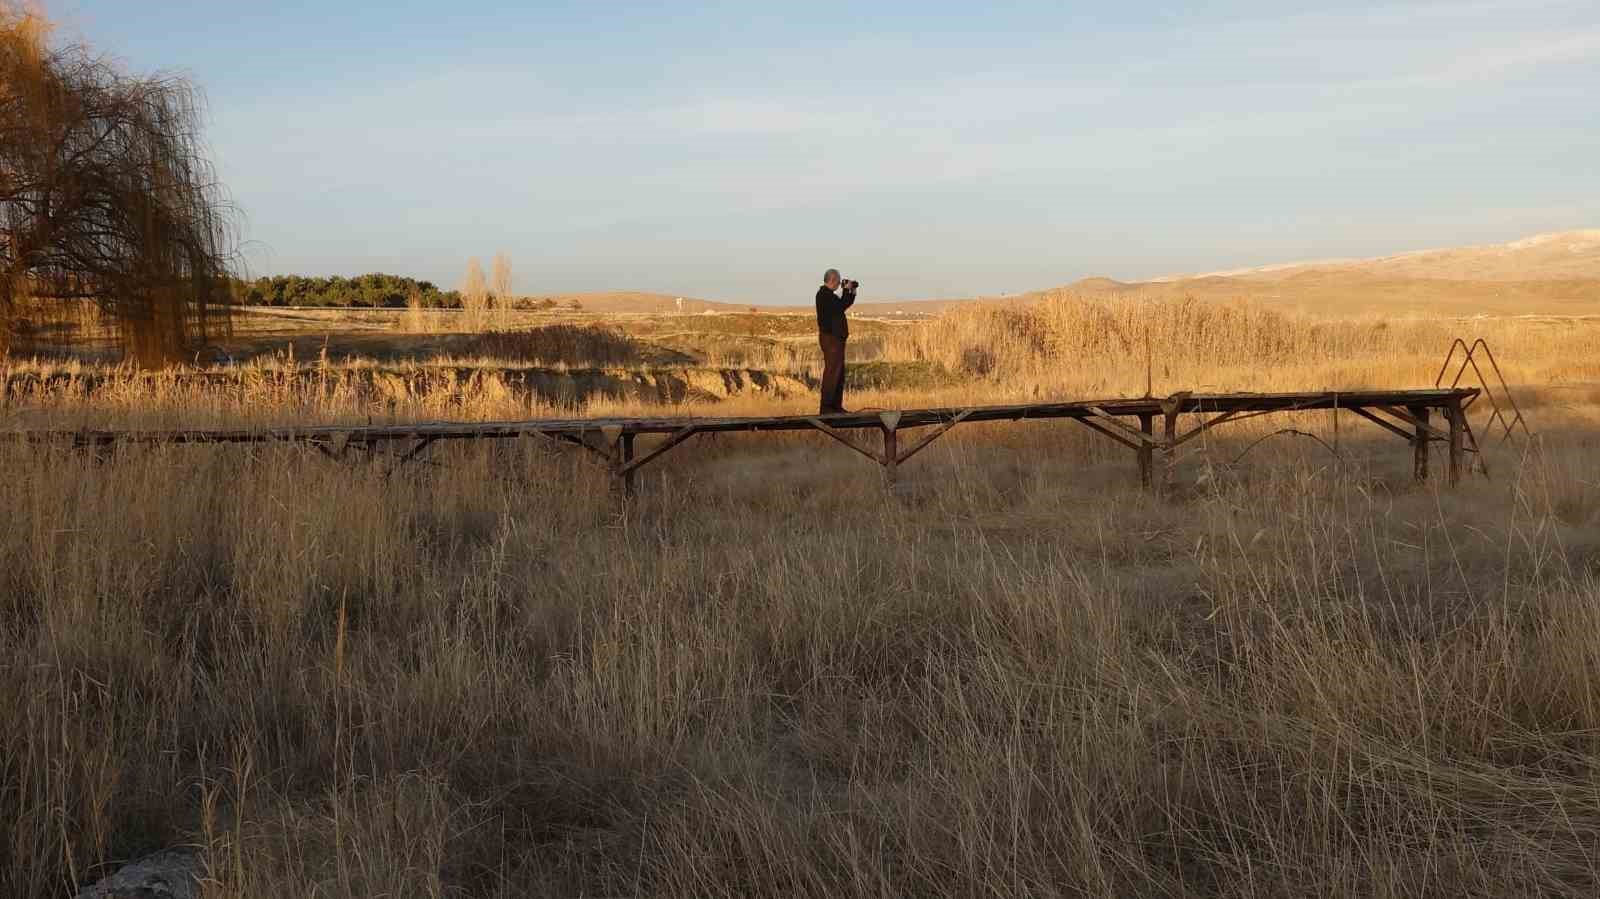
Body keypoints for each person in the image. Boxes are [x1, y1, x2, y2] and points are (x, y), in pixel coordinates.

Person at [815, 268, 857, 414]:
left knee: (838, 373)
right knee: (832, 372)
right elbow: (840, 306)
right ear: (832, 280)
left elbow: (842, 305)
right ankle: (827, 407)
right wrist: (847, 291)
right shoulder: (824, 295)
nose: (840, 284)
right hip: (831, 338)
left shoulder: (828, 296)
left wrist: (851, 292)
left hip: (835, 339)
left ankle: (835, 406)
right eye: (839, 282)